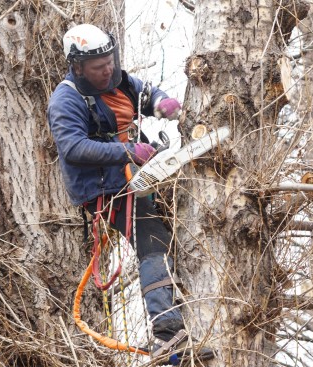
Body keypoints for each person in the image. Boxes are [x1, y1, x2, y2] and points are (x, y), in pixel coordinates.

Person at [47, 24, 213, 364]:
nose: (107, 69)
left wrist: (163, 102)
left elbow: (145, 93)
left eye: (110, 61)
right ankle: (167, 334)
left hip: (136, 177)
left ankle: (187, 317)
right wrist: (127, 151)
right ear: (78, 67)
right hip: (106, 189)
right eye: (98, 67)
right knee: (153, 242)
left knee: (179, 232)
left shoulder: (119, 80)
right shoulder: (66, 99)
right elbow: (73, 147)